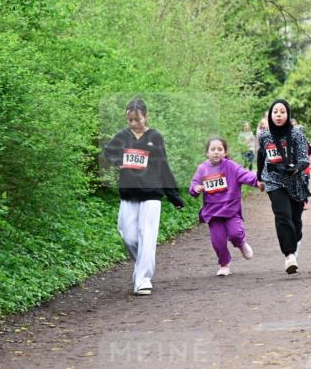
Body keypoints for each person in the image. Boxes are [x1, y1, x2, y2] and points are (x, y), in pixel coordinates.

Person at [103, 98, 185, 295]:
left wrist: (174, 196)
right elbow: (107, 153)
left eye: (136, 119)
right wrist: (118, 161)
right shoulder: (122, 136)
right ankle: (141, 267)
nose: (133, 123)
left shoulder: (154, 137)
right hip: (128, 194)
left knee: (147, 237)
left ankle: (143, 280)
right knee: (129, 236)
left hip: (151, 194)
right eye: (129, 120)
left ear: (145, 117)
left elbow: (163, 166)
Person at [189, 137, 262, 277]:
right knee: (218, 241)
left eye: (220, 149)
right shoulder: (202, 168)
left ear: (225, 152)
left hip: (230, 209)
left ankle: (241, 243)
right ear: (207, 153)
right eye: (213, 149)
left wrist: (257, 182)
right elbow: (194, 184)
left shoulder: (231, 166)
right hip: (213, 212)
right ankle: (224, 264)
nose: (216, 152)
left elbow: (244, 174)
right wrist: (196, 188)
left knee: (235, 233)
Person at [257, 99, 311, 274]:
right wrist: (259, 178)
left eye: (282, 112)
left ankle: (295, 243)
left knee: (295, 221)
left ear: (288, 114)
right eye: (275, 112)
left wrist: (296, 168)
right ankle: (289, 255)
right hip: (273, 180)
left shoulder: (297, 135)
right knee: (282, 216)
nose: (278, 115)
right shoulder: (265, 136)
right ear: (270, 115)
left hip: (295, 181)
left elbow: (304, 158)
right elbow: (261, 157)